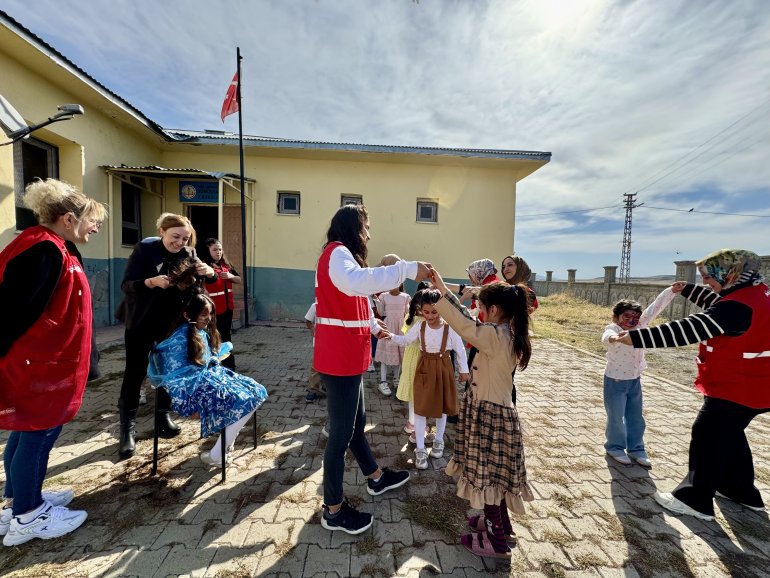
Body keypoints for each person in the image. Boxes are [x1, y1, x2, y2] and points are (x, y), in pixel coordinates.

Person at [611, 249, 770, 522]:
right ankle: (741, 491)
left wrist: (636, 338)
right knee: (729, 433)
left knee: (708, 433)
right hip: (757, 386)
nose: (706, 282)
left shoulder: (736, 307)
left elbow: (693, 327)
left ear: (730, 273)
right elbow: (719, 302)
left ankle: (695, 499)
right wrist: (688, 290)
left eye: (710, 276)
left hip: (737, 387)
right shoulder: (756, 295)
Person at [0, 178, 105, 546]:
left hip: (44, 365)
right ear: (66, 218)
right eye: (92, 220)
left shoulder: (53, 246)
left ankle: (16, 502)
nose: (96, 227)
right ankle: (28, 517)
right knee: (37, 435)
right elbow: (13, 311)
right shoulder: (42, 250)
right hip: (37, 366)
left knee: (27, 432)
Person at [314, 204, 430, 534]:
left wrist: (370, 323)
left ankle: (375, 478)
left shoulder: (341, 256)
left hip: (348, 356)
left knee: (357, 424)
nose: (369, 233)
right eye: (366, 225)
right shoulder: (337, 254)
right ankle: (333, 510)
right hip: (340, 359)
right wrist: (407, 268)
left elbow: (351, 297)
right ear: (352, 227)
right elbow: (356, 284)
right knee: (340, 435)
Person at [428, 268, 533, 559]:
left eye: (482, 308)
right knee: (495, 479)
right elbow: (469, 320)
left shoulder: (494, 337)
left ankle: (496, 543)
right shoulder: (505, 332)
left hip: (490, 419)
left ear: (495, 310)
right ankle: (501, 526)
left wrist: (438, 294)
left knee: (486, 478)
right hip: (496, 415)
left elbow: (464, 326)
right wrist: (444, 290)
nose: (479, 312)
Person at [115, 213, 217, 459]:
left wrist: (208, 273)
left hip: (171, 326)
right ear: (162, 231)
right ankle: (127, 431)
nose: (180, 242)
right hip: (140, 321)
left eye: (185, 238)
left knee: (167, 372)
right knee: (135, 373)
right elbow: (127, 285)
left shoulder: (190, 254)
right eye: (175, 237)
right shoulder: (145, 249)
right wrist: (150, 282)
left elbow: (198, 285)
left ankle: (162, 418)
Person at [147, 290, 267, 466]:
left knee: (256, 391)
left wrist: (214, 361)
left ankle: (225, 443)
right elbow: (176, 379)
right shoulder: (179, 340)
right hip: (192, 391)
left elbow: (206, 360)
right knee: (243, 400)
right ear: (188, 315)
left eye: (210, 314)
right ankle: (217, 455)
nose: (208, 318)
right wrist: (194, 404)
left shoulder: (200, 331)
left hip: (210, 380)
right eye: (204, 314)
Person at [601, 284, 682, 467]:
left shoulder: (641, 325)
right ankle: (614, 447)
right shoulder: (613, 328)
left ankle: (636, 448)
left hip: (634, 381)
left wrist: (671, 291)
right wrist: (614, 338)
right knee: (616, 416)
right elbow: (607, 336)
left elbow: (656, 306)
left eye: (635, 317)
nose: (631, 321)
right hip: (615, 381)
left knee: (635, 416)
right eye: (626, 317)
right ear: (616, 317)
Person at [389, 288, 469, 469]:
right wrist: (390, 336)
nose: (430, 316)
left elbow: (460, 350)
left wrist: (464, 370)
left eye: (434, 311)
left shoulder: (450, 328)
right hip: (423, 367)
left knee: (441, 407)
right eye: (426, 312)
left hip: (443, 368)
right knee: (420, 408)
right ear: (420, 310)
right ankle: (420, 448)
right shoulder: (419, 326)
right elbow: (406, 340)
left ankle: (439, 440)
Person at [373, 255, 411, 396]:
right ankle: (383, 382)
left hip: (400, 329)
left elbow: (407, 314)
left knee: (399, 356)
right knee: (384, 357)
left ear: (400, 283)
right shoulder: (383, 296)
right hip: (387, 327)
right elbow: (382, 312)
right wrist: (377, 302)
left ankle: (396, 379)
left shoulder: (406, 297)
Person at [395, 283, 429, 436]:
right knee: (419, 393)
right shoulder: (424, 321)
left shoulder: (410, 317)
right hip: (421, 358)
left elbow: (404, 334)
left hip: (410, 356)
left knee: (413, 392)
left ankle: (412, 423)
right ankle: (416, 425)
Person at [202, 238, 241, 370]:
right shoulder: (204, 266)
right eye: (214, 249)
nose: (218, 252)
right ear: (208, 251)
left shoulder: (226, 264)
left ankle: (229, 365)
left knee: (226, 336)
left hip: (227, 307)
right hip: (212, 309)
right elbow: (201, 286)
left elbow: (238, 279)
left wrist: (230, 276)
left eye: (220, 249)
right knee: (212, 336)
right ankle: (213, 364)